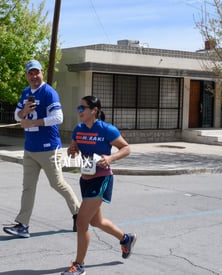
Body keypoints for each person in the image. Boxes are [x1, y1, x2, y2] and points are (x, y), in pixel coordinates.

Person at [3, 60, 80, 238]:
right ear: (26, 75)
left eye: (36, 72)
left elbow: (58, 117)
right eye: (30, 73)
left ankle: (79, 213)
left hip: (48, 148)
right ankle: (23, 225)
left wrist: (34, 121)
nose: (34, 76)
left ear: (42, 73)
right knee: (27, 188)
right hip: (30, 148)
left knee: (57, 184)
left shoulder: (49, 92)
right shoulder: (25, 92)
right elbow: (17, 115)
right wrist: (24, 113)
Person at [61, 96, 136, 275]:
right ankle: (125, 239)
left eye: (82, 108)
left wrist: (110, 158)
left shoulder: (106, 129)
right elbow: (74, 148)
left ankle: (79, 265)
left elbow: (126, 148)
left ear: (94, 110)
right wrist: (72, 151)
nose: (79, 111)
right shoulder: (78, 129)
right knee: (97, 221)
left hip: (102, 178)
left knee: (81, 221)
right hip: (85, 178)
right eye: (78, 108)